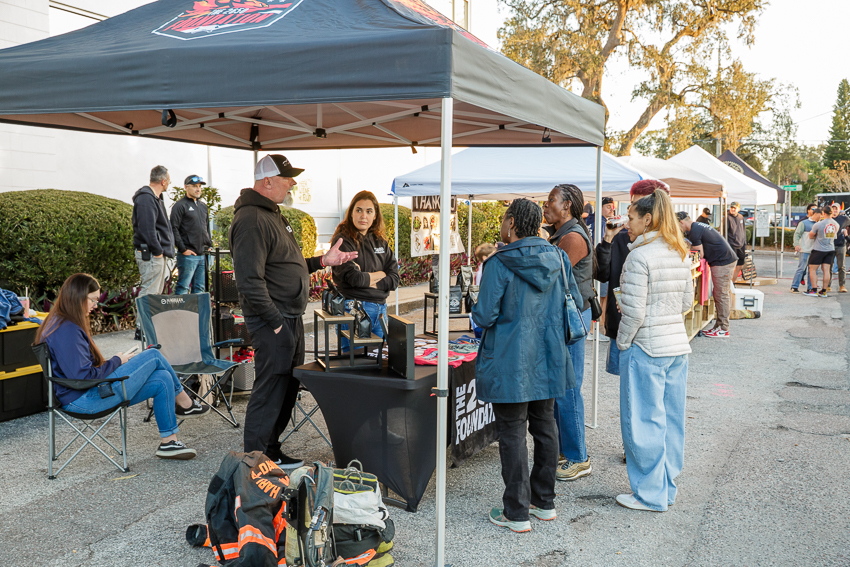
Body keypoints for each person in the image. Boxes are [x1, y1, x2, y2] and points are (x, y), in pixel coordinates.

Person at [230, 154, 358, 468]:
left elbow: (287, 265)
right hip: (273, 320)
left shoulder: (271, 213)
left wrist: (321, 263)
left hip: (288, 317)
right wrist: (274, 323)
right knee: (270, 388)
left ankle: (270, 450)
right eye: (287, 178)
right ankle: (254, 461)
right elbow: (248, 280)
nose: (292, 183)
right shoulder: (251, 219)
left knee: (286, 388)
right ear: (267, 181)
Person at [471, 198, 577, 533]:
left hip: (509, 360)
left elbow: (484, 314)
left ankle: (516, 512)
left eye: (504, 219)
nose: (502, 224)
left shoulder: (499, 263)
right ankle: (543, 502)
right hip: (548, 356)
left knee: (513, 432)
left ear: (513, 222)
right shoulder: (559, 257)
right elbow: (568, 303)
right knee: (545, 426)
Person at [36, 273, 207, 460]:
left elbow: (80, 371)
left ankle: (169, 442)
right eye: (93, 299)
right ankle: (185, 403)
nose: (96, 305)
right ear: (77, 296)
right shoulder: (66, 330)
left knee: (162, 379)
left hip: (85, 394)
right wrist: (117, 361)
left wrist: (116, 361)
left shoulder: (59, 323)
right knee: (153, 355)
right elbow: (84, 376)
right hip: (84, 400)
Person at [616, 188, 693, 512]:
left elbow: (633, 312)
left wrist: (622, 343)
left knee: (643, 422)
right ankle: (666, 489)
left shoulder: (639, 257)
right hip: (676, 346)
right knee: (671, 421)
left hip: (647, 347)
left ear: (647, 219)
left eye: (631, 218)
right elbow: (688, 302)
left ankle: (649, 495)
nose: (626, 223)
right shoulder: (679, 252)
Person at [542, 184, 594, 482]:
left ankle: (578, 457)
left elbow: (548, 276)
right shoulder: (563, 234)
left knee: (569, 389)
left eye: (551, 201)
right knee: (561, 387)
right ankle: (567, 451)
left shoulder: (572, 238)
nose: (546, 205)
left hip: (571, 321)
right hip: (567, 319)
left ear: (569, 206)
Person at [594, 179, 669, 376]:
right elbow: (601, 274)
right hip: (622, 324)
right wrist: (607, 240)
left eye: (642, 205)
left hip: (654, 332)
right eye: (632, 205)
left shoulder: (670, 245)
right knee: (628, 389)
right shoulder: (621, 236)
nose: (634, 212)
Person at [331, 190, 399, 350]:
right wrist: (382, 274)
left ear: (375, 215)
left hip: (380, 310)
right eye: (359, 210)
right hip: (354, 310)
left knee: (377, 366)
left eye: (369, 211)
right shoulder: (343, 241)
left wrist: (370, 279)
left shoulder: (380, 241)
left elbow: (395, 279)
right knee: (354, 367)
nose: (364, 216)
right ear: (351, 213)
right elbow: (355, 279)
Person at [676, 212, 740, 338]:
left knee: (721, 295)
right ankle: (718, 326)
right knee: (719, 294)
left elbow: (699, 253)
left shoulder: (695, 231)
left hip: (723, 262)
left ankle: (723, 328)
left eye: (677, 225)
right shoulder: (698, 226)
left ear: (681, 222)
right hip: (724, 260)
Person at [132, 165, 176, 298]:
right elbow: (147, 229)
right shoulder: (146, 199)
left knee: (154, 294)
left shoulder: (155, 198)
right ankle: (143, 320)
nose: (168, 183)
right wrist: (157, 251)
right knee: (149, 293)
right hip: (151, 254)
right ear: (163, 181)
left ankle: (149, 320)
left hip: (155, 254)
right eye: (168, 180)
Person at [170, 174, 213, 295]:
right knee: (183, 287)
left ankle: (196, 314)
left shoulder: (203, 206)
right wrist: (183, 249)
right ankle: (179, 314)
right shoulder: (179, 206)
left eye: (199, 186)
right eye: (194, 186)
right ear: (186, 187)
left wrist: (209, 244)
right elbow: (174, 228)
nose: (198, 189)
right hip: (188, 256)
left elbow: (206, 227)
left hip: (202, 255)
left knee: (199, 289)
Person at [588, 196, 615, 343]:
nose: (611, 209)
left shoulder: (591, 220)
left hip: (593, 261)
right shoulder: (600, 222)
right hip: (598, 262)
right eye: (608, 206)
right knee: (600, 298)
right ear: (600, 207)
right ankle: (596, 329)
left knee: (599, 296)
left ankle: (598, 328)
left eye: (612, 206)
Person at [806, 206, 840, 298]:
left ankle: (814, 290)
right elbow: (834, 236)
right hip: (830, 249)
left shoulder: (818, 224)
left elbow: (811, 235)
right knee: (826, 270)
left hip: (818, 249)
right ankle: (824, 291)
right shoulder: (836, 224)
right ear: (832, 213)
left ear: (823, 213)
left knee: (812, 269)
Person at [791, 204, 818, 293]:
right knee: (801, 268)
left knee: (813, 270)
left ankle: (811, 287)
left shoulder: (819, 224)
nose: (815, 211)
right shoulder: (804, 223)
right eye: (813, 209)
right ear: (808, 210)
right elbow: (797, 234)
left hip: (815, 250)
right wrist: (796, 245)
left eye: (816, 209)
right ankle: (794, 286)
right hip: (805, 249)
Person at [725, 201, 747, 278]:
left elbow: (743, 231)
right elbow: (722, 232)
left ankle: (733, 282)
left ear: (738, 209)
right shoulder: (727, 218)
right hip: (732, 246)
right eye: (731, 207)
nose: (733, 209)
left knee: (740, 265)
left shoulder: (741, 217)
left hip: (741, 245)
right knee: (732, 265)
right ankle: (730, 283)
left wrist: (745, 243)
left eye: (735, 208)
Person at [829, 204, 848, 293]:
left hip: (841, 245)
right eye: (833, 209)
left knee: (841, 266)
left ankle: (842, 286)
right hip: (829, 245)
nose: (834, 210)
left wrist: (847, 237)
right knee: (829, 266)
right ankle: (828, 285)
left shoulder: (844, 219)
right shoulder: (828, 219)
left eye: (836, 209)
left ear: (839, 210)